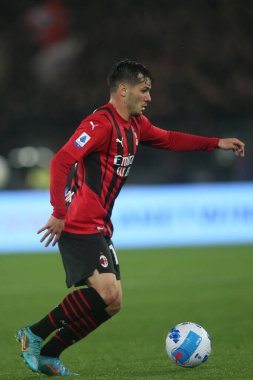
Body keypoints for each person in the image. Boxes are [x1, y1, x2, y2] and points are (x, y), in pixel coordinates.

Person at [16, 59, 245, 376]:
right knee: (106, 293)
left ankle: (50, 354)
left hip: (100, 224)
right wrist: (58, 212)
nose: (149, 97)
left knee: (112, 304)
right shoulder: (100, 124)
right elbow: (60, 162)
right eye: (145, 89)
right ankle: (34, 334)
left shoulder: (136, 126)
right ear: (123, 90)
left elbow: (169, 139)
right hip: (79, 220)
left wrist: (214, 143)